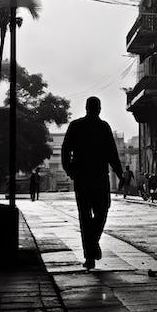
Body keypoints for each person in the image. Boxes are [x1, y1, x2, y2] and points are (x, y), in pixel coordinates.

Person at [61, 97, 124, 270]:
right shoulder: (100, 127)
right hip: (96, 178)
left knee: (88, 216)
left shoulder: (78, 126)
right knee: (100, 212)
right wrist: (119, 174)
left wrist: (71, 171)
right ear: (96, 109)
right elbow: (112, 154)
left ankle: (91, 248)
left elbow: (65, 151)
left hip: (85, 178)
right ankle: (90, 252)